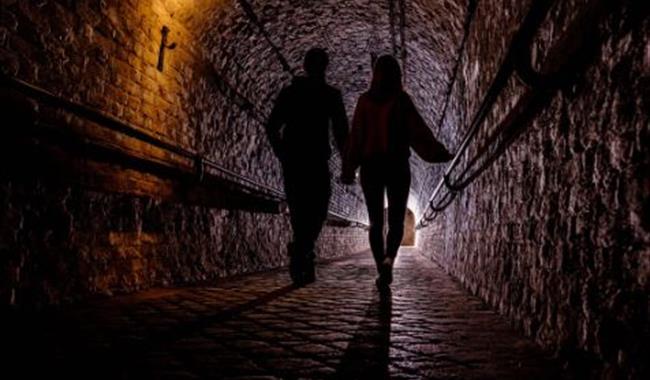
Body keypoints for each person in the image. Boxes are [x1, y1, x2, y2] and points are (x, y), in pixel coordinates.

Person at [342, 55, 452, 290]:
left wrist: (349, 168)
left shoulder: (364, 101)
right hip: (397, 166)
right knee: (396, 223)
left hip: (370, 167)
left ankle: (381, 265)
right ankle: (389, 259)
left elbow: (356, 137)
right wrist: (439, 152)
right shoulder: (401, 100)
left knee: (374, 222)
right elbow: (418, 131)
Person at [266, 48, 349, 286]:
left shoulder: (293, 93)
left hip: (299, 160)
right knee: (313, 211)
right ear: (325, 66)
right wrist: (347, 164)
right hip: (310, 160)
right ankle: (304, 255)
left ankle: (301, 250)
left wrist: (282, 153)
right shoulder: (328, 95)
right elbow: (342, 134)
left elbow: (272, 127)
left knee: (308, 211)